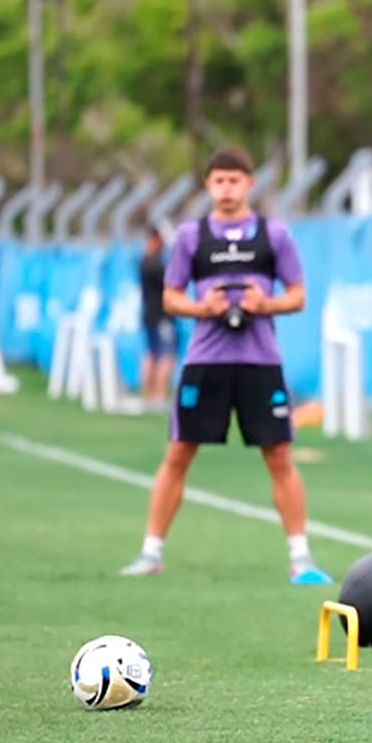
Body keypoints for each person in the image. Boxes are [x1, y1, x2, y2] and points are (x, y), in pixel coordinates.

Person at [119, 147, 332, 586]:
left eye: (235, 180)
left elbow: (298, 294)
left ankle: (301, 558)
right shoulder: (192, 238)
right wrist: (204, 307)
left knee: (279, 455)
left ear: (249, 184)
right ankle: (150, 552)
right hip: (206, 361)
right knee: (178, 453)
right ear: (207, 186)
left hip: (259, 361)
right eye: (218, 181)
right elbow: (171, 296)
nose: (227, 189)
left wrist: (264, 302)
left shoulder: (274, 236)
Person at [138, 225, 179, 411]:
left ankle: (148, 396)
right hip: (161, 316)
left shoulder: (145, 261)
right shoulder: (154, 264)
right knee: (166, 355)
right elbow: (172, 279)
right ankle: (158, 395)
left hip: (150, 315)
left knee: (152, 354)